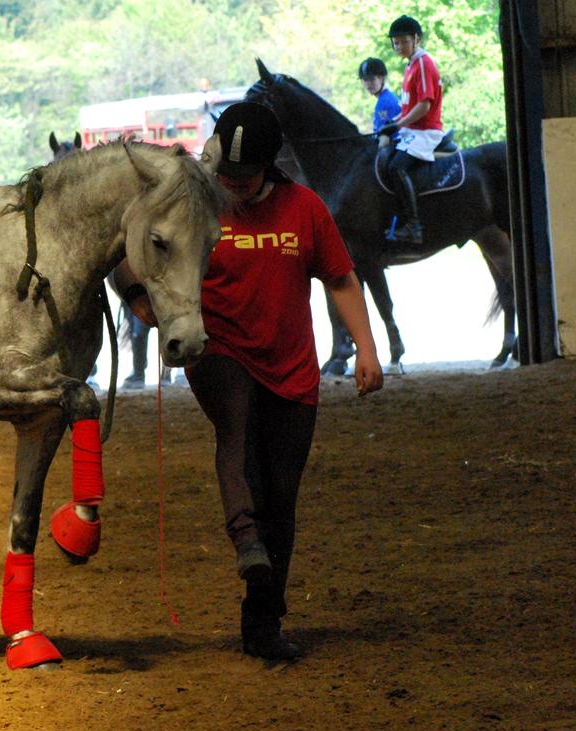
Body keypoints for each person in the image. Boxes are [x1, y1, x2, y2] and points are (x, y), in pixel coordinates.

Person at [115, 102, 383, 661]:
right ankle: (244, 539)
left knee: (281, 497)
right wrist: (138, 297)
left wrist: (367, 348)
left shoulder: (306, 209)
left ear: (270, 166)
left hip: (292, 367)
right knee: (234, 430)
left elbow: (339, 278)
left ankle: (263, 617)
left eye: (244, 178)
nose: (232, 186)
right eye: (226, 177)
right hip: (220, 349)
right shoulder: (195, 204)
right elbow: (132, 253)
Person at [378, 14, 444, 245]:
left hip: (425, 131)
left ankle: (415, 226)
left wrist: (398, 124)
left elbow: (424, 106)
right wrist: (392, 123)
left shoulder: (424, 64)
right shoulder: (411, 65)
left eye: (403, 41)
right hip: (412, 130)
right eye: (395, 42)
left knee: (397, 168)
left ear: (416, 39)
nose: (399, 46)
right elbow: (408, 107)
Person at [358, 57, 400, 137]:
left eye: (371, 79)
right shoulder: (387, 98)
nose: (367, 85)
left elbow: (385, 138)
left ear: (382, 78)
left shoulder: (384, 103)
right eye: (364, 80)